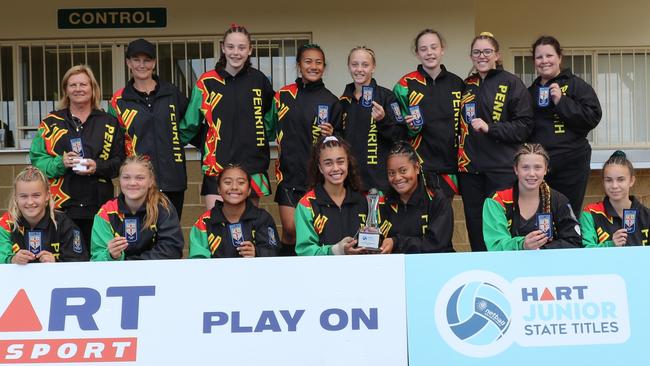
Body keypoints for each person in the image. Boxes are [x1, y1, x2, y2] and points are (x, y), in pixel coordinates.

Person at [180, 25, 274, 210]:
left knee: (250, 228)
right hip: (217, 166)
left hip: (253, 166)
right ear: (223, 48)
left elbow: (269, 120)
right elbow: (190, 124)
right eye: (231, 47)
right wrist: (205, 143)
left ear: (250, 49)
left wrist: (260, 140)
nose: (236, 52)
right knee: (217, 228)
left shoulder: (260, 80)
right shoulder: (206, 82)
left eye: (241, 47)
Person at [30, 65, 125, 246]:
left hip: (99, 208)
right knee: (65, 262)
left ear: (92, 88)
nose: (78, 89)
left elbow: (119, 163)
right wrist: (60, 162)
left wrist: (97, 166)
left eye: (83, 84)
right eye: (73, 85)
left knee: (97, 260)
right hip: (61, 209)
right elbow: (37, 161)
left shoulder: (109, 122)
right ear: (66, 90)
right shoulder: (51, 122)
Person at [457, 32, 534, 251]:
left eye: (487, 51)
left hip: (501, 168)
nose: (482, 56)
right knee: (475, 225)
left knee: (503, 224)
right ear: (471, 56)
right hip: (469, 170)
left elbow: (525, 125)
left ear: (497, 55)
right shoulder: (466, 85)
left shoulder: (511, 82)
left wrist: (492, 128)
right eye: (477, 52)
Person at [266, 43, 343, 256]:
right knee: (290, 231)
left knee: (318, 233)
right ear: (299, 65)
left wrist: (331, 134)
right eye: (308, 61)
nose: (313, 66)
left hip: (318, 179)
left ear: (324, 67)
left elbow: (340, 144)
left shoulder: (331, 101)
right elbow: (267, 128)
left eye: (318, 62)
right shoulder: (283, 96)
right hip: (289, 175)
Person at [109, 38, 189, 218]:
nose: (142, 65)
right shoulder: (118, 101)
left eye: (147, 60)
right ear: (128, 62)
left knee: (171, 237)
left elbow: (192, 126)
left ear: (154, 63)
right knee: (140, 237)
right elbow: (115, 143)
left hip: (172, 179)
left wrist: (174, 143)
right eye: (136, 60)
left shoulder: (171, 93)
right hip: (137, 182)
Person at [528, 35, 602, 213]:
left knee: (567, 216)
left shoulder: (576, 85)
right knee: (540, 216)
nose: (544, 61)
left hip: (572, 163)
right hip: (540, 166)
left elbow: (592, 117)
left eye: (549, 55)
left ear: (560, 57)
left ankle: (568, 242)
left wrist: (562, 101)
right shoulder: (529, 92)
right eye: (539, 57)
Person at [393, 29, 465, 199]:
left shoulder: (457, 84)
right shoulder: (404, 85)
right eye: (423, 49)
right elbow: (394, 130)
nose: (429, 53)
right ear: (417, 53)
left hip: (451, 169)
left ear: (442, 49)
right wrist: (408, 126)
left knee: (446, 222)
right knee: (419, 222)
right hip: (417, 168)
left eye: (434, 47)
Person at [295, 136, 389, 255]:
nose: (335, 168)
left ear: (348, 163)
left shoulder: (366, 200)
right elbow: (304, 251)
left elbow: (382, 239)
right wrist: (336, 250)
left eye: (340, 162)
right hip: (323, 272)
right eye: (328, 163)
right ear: (320, 168)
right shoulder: (307, 205)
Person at [483, 143, 581, 251]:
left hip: (549, 264)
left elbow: (574, 241)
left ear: (545, 170)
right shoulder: (496, 201)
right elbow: (495, 245)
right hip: (509, 265)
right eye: (525, 167)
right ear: (516, 169)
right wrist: (523, 245)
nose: (531, 173)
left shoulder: (559, 201)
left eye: (537, 167)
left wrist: (541, 249)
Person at [90, 155, 184, 261]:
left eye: (140, 178)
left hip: (156, 274)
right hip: (119, 276)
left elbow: (172, 250)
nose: (132, 183)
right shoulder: (106, 212)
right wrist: (111, 255)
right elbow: (96, 259)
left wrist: (132, 264)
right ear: (119, 180)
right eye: (126, 177)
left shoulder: (163, 207)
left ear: (151, 181)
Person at [339, 46, 405, 192]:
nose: (359, 69)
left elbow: (400, 137)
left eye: (365, 65)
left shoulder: (387, 97)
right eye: (354, 64)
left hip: (381, 183)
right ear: (349, 67)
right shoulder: (342, 102)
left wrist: (383, 120)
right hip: (350, 184)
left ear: (373, 67)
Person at [189, 164, 280, 258]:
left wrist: (256, 252)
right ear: (219, 189)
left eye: (241, 183)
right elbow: (197, 260)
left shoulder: (262, 218)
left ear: (249, 190)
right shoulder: (204, 222)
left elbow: (274, 252)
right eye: (228, 182)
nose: (234, 187)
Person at [0, 166, 88, 264]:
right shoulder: (6, 223)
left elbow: (79, 262)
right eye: (24, 196)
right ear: (15, 198)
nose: (30, 202)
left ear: (47, 196)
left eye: (36, 195)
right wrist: (12, 260)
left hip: (55, 279)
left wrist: (56, 262)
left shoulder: (64, 224)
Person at [379, 141, 454, 253]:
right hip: (396, 267)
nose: (397, 177)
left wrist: (397, 242)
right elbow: (377, 240)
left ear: (417, 168)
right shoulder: (382, 202)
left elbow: (436, 244)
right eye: (391, 173)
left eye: (403, 170)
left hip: (434, 265)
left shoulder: (437, 199)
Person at [580, 151, 650, 247]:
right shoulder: (590, 212)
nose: (614, 186)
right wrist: (611, 244)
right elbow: (585, 251)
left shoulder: (646, 215)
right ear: (603, 182)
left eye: (621, 179)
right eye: (608, 180)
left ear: (631, 181)